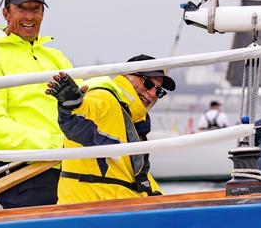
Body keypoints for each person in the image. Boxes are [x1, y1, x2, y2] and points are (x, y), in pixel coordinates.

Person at [0, 0, 72, 208]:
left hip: (69, 165)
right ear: (6, 13)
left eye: (35, 9)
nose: (29, 16)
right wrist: (56, 146)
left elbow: (89, 98)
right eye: (21, 9)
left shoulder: (56, 57)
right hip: (23, 172)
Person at [46, 54, 176, 204]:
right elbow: (79, 120)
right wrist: (71, 105)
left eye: (159, 91)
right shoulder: (104, 98)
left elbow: (136, 176)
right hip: (91, 209)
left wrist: (160, 198)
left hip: (116, 207)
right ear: (126, 76)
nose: (152, 94)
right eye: (147, 84)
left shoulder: (133, 118)